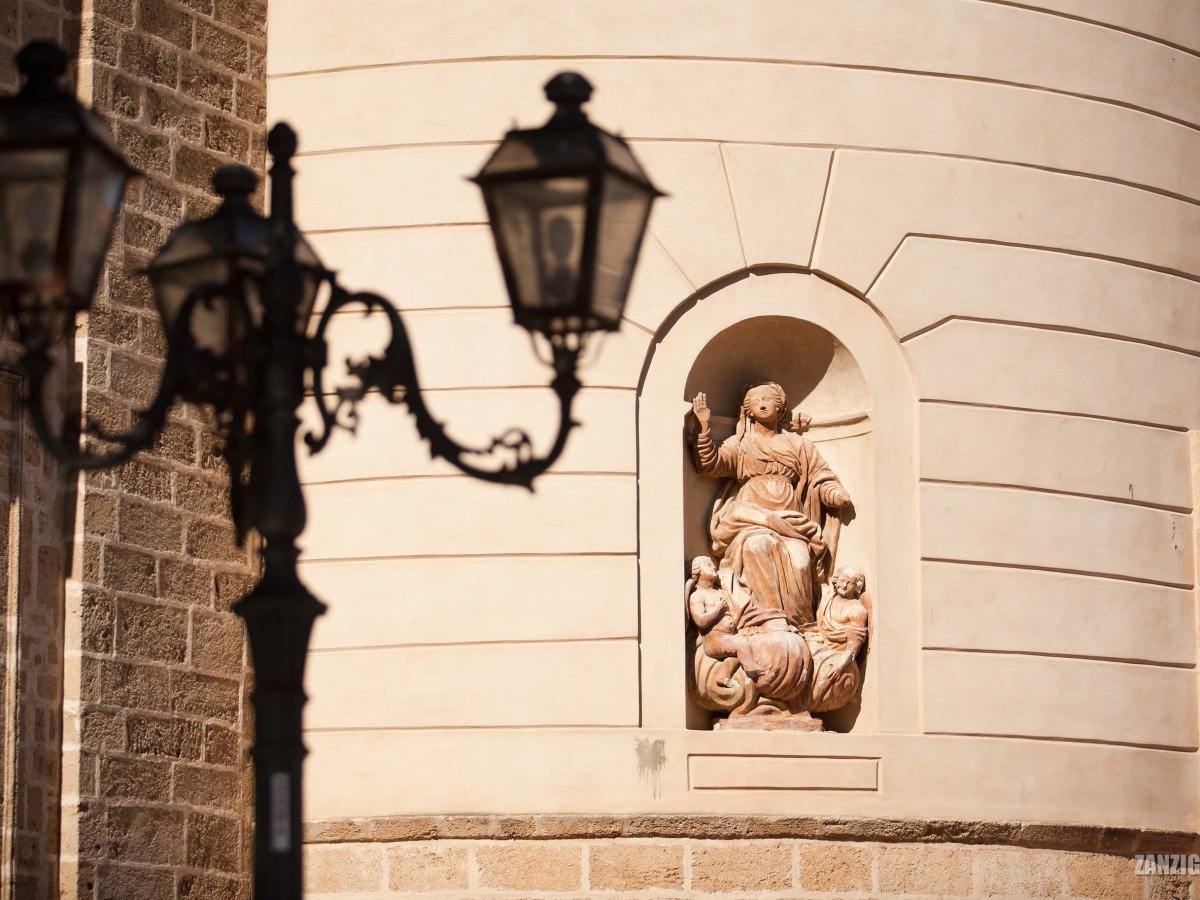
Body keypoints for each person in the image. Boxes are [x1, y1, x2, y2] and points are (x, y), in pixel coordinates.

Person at [689, 381, 852, 633]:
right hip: (750, 518)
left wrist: (834, 493)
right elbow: (711, 464)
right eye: (756, 401)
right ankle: (767, 622)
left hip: (791, 520)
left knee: (800, 560)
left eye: (768, 398)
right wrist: (704, 426)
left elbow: (820, 476)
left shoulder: (799, 445)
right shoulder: (741, 444)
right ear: (749, 411)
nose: (762, 403)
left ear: (780, 406)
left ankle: (801, 626)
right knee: (758, 547)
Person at [687, 556, 765, 686]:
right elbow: (700, 621)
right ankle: (752, 671)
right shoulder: (697, 596)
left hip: (728, 636)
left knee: (735, 657)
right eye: (708, 565)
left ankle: (723, 677)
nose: (714, 567)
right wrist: (718, 609)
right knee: (741, 645)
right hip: (715, 640)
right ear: (698, 571)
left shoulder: (719, 592)